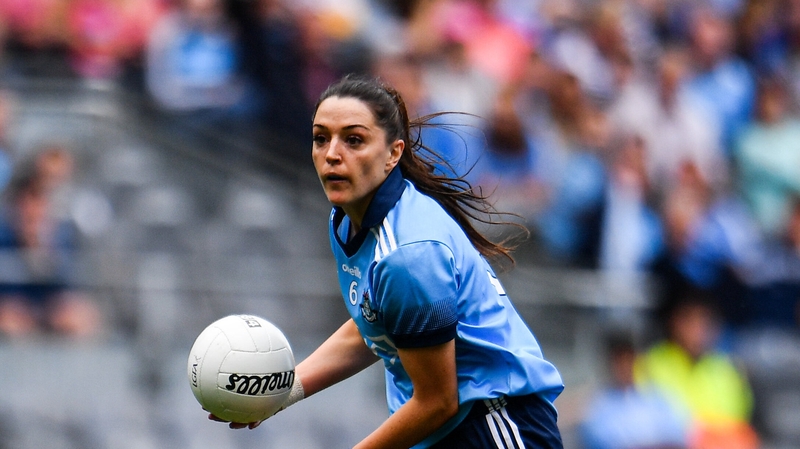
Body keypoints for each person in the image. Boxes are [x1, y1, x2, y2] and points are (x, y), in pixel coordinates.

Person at [208, 74, 565, 448]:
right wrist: (280, 392)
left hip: (494, 426)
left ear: (393, 154)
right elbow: (374, 323)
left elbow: (438, 402)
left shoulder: (408, 255)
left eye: (354, 139)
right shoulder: (347, 218)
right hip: (448, 430)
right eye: (320, 138)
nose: (331, 153)